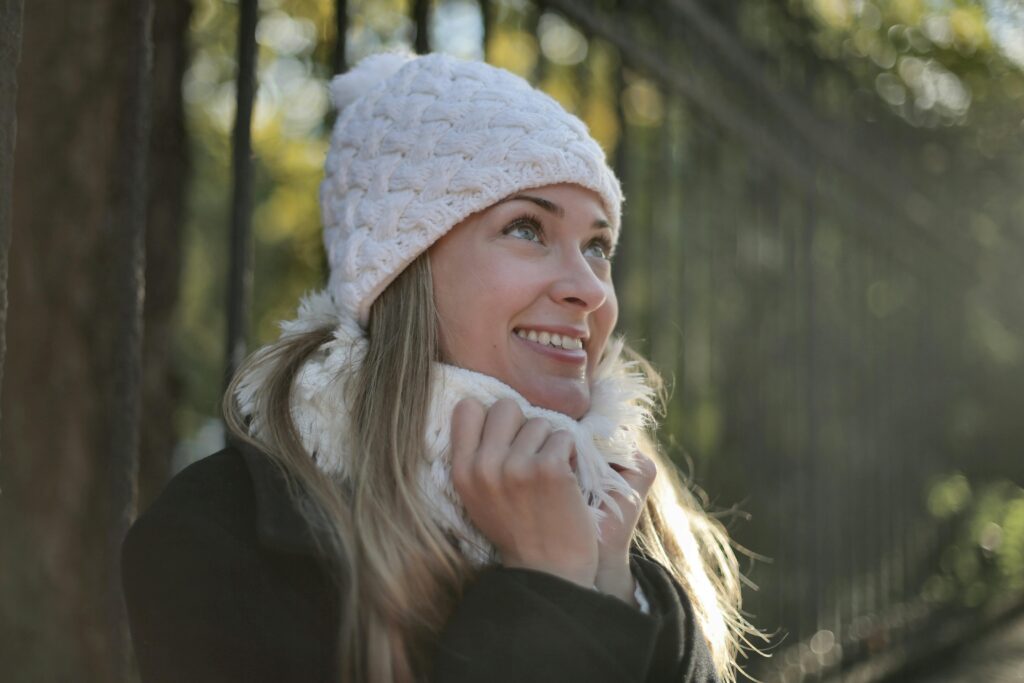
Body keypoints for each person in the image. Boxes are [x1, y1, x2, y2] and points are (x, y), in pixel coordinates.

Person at [121, 51, 757, 683]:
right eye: (528, 229)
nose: (590, 289)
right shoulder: (218, 537)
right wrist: (551, 591)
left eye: (597, 246)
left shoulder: (631, 522)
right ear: (403, 271)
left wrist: (609, 591)